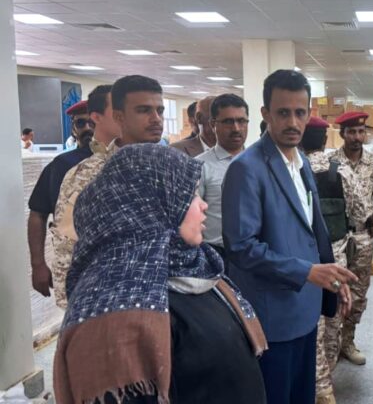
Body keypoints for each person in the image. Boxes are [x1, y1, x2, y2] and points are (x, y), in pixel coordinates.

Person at [53, 144, 267, 404]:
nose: (204, 205)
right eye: (189, 195)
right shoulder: (115, 318)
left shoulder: (197, 269)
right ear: (151, 208)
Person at [222, 69, 355, 404]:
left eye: (300, 112)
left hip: (305, 310)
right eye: (283, 113)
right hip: (273, 318)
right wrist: (307, 272)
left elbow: (313, 231)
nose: (293, 122)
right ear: (266, 114)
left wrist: (332, 280)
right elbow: (241, 247)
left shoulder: (301, 162)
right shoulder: (246, 168)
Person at [51, 75, 163, 308]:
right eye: (143, 110)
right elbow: (68, 243)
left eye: (160, 111)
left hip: (168, 298)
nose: (156, 119)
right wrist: (75, 305)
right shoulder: (87, 174)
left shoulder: (173, 170)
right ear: (119, 116)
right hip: (109, 300)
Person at [329, 111, 373, 366]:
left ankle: (347, 341)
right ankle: (331, 344)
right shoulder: (330, 163)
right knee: (334, 291)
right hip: (335, 239)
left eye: (361, 132)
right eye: (351, 132)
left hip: (362, 238)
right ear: (342, 134)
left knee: (357, 295)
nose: (357, 137)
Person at [300, 116, 353, 404]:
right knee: (334, 319)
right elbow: (358, 211)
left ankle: (319, 387)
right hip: (337, 259)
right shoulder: (340, 169)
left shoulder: (293, 170)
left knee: (313, 323)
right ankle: (328, 376)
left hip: (306, 263)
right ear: (324, 139)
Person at [27, 98, 99, 297]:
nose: (87, 128)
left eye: (92, 122)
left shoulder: (120, 159)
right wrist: (38, 264)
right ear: (73, 129)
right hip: (74, 265)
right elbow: (37, 214)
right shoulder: (60, 166)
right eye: (80, 123)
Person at [196, 94, 249, 264]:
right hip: (216, 255)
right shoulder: (199, 166)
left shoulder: (260, 162)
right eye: (228, 122)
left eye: (242, 121)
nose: (236, 128)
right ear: (213, 124)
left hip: (255, 254)